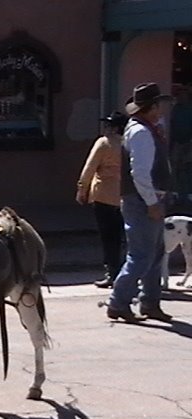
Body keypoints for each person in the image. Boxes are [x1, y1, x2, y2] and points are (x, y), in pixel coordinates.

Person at [107, 82, 173, 323]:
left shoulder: (147, 128)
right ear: (152, 107)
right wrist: (152, 202)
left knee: (154, 254)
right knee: (141, 255)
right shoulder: (142, 133)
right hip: (142, 200)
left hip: (145, 198)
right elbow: (140, 173)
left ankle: (150, 301)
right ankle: (119, 301)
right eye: (158, 106)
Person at [76, 111, 128, 288]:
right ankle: (125, 272)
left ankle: (112, 272)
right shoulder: (128, 143)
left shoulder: (104, 143)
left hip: (104, 194)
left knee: (108, 236)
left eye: (108, 125)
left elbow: (90, 167)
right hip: (124, 194)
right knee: (123, 235)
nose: (106, 128)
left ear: (114, 128)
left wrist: (82, 189)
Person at [169, 85, 192, 196]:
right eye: (178, 95)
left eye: (183, 94)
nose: (180, 97)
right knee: (176, 170)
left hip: (189, 143)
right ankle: (178, 195)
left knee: (188, 169)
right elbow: (172, 126)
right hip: (177, 144)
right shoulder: (175, 109)